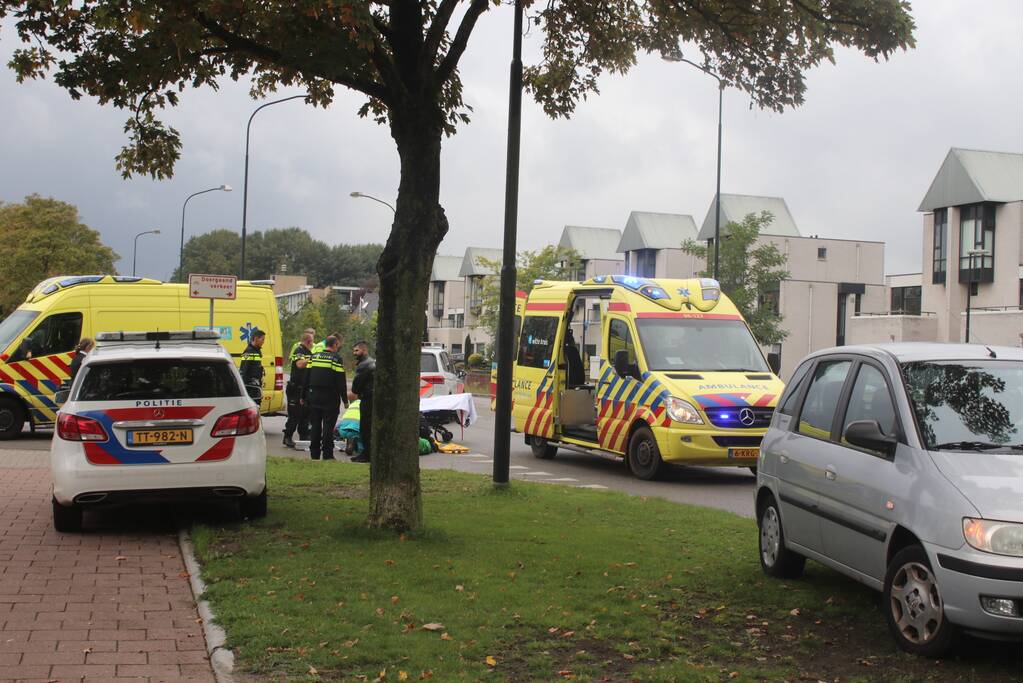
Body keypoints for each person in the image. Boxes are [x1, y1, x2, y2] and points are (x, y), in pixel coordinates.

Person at [305, 335, 348, 461]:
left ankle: (314, 454)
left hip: (313, 396)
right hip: (330, 397)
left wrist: (303, 396)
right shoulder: (336, 359)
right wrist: (345, 400)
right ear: (335, 345)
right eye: (338, 345)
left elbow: (306, 378)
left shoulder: (314, 357)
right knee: (328, 427)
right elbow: (341, 381)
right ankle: (328, 454)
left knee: (315, 426)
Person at [282, 332, 314, 448]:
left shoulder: (308, 352)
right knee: (295, 414)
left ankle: (304, 437)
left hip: (304, 389)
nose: (313, 344)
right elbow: (300, 365)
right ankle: (287, 437)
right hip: (295, 388)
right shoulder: (299, 351)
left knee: (306, 414)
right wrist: (310, 359)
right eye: (312, 342)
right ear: (308, 342)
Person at [349, 340, 375, 463]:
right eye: (354, 350)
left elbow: (356, 387)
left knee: (365, 427)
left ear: (364, 350)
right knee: (369, 427)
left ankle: (366, 454)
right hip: (372, 399)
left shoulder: (364, 365)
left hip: (367, 399)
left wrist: (355, 393)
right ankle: (367, 452)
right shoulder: (371, 362)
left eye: (357, 350)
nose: (354, 353)